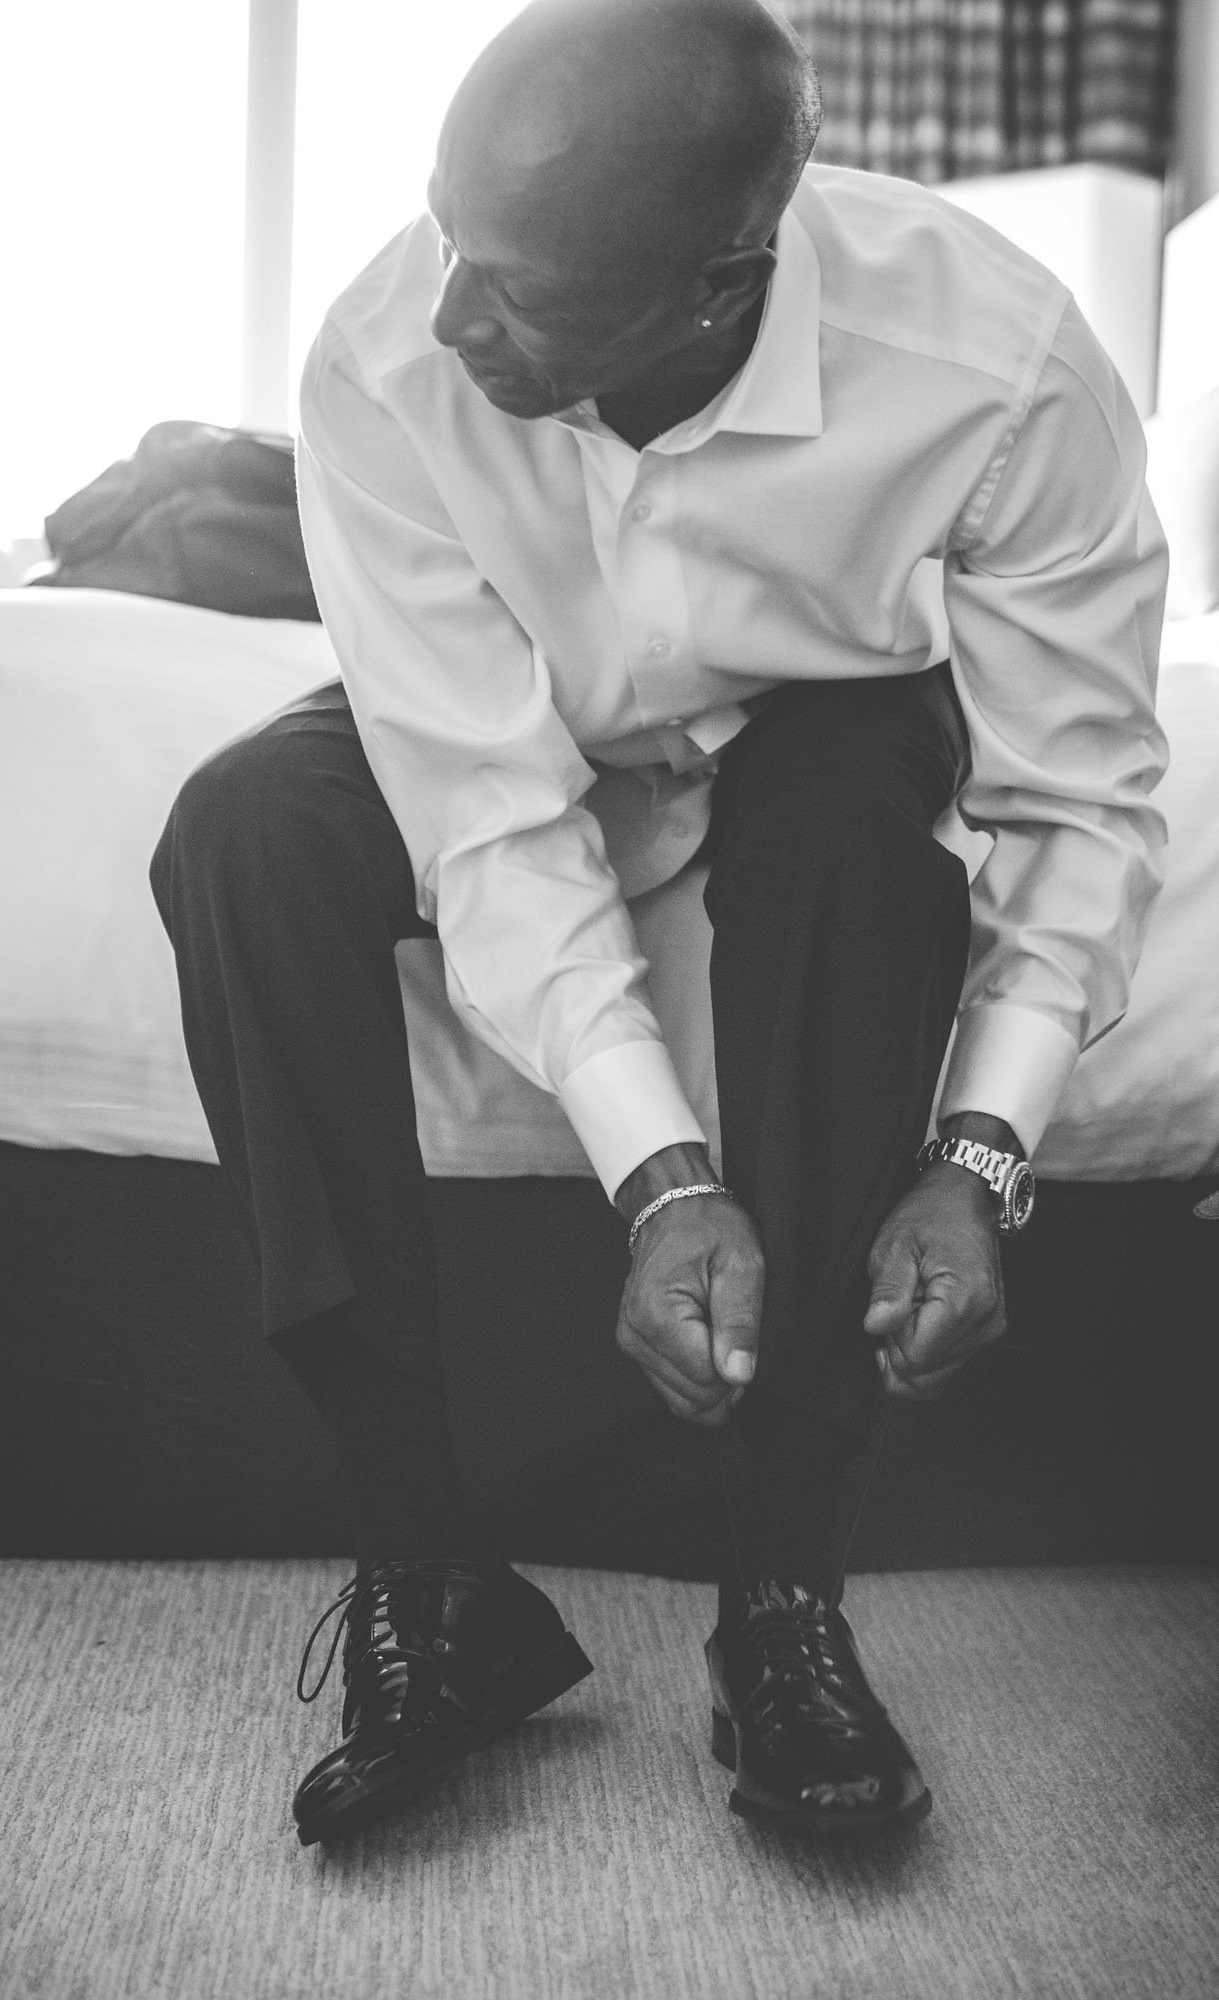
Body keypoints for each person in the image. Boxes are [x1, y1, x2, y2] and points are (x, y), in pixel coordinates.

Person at [150, 0, 1167, 1841]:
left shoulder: (997, 366)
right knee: (242, 831)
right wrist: (660, 1179)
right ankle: (432, 1580)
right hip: (529, 702)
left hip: (825, 708)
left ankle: (782, 1600)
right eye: (449, 233)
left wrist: (980, 1155)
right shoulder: (386, 355)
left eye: (520, 288)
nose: (451, 315)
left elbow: (1079, 802)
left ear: (721, 284)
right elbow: (488, 813)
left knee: (856, 837)